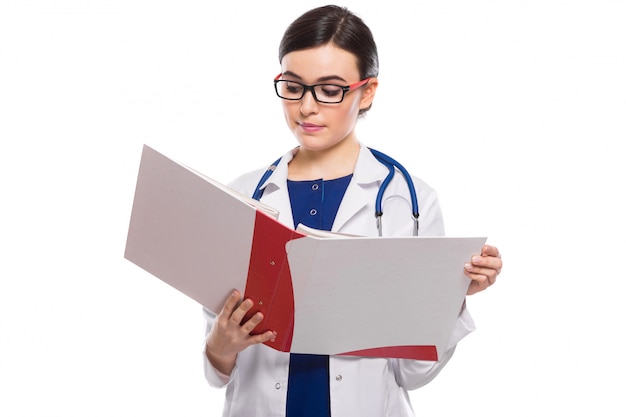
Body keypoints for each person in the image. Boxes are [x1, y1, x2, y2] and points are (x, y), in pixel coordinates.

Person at [203, 5, 503, 417]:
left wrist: (449, 296)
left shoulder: (408, 202)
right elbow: (217, 370)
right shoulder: (241, 195)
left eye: (329, 90)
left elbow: (413, 373)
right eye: (293, 86)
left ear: (368, 91)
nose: (307, 107)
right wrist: (221, 345)